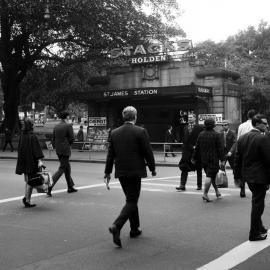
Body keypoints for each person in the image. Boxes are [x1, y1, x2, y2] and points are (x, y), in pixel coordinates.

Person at [104, 106, 156, 248]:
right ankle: (117, 225)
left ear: (123, 117)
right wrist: (152, 168)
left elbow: (110, 155)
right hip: (135, 171)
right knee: (132, 200)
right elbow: (148, 152)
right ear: (135, 117)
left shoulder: (114, 133)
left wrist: (107, 172)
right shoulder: (140, 131)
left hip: (121, 171)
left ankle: (134, 229)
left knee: (130, 200)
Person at [234, 114, 270, 241]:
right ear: (257, 124)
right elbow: (268, 160)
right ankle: (254, 233)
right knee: (258, 205)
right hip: (260, 177)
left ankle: (260, 227)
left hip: (248, 176)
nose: (267, 125)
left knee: (256, 202)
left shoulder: (242, 138)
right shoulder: (262, 138)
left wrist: (237, 176)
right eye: (264, 123)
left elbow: (237, 159)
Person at [192, 118, 225, 202]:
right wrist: (222, 160)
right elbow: (220, 149)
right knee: (209, 176)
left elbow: (197, 147)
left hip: (204, 159)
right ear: (213, 125)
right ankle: (205, 194)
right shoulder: (216, 135)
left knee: (212, 176)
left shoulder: (201, 134)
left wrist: (193, 158)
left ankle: (217, 192)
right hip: (213, 160)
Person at [47, 111, 77, 196]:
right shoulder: (68, 126)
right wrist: (68, 145)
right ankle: (49, 185)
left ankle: (70, 186)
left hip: (58, 150)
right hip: (65, 150)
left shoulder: (56, 126)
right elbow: (72, 138)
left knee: (67, 167)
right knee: (62, 169)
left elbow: (53, 139)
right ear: (67, 117)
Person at [15, 118, 44, 207]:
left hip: (24, 161)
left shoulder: (22, 135)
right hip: (31, 161)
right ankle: (27, 200)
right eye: (33, 123)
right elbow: (36, 150)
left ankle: (26, 198)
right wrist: (39, 160)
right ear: (31, 125)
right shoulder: (32, 136)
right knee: (31, 181)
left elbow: (19, 149)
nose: (34, 125)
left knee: (28, 180)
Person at [176, 114, 204, 191]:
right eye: (189, 117)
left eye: (191, 117)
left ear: (195, 118)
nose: (189, 119)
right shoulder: (185, 128)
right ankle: (182, 185)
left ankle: (199, 185)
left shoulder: (199, 127)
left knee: (198, 168)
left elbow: (202, 138)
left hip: (196, 151)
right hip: (187, 151)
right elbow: (184, 139)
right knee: (184, 167)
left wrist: (197, 147)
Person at [236, 109, 256, 198]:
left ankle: (242, 189)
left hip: (242, 149)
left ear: (248, 116)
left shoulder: (241, 125)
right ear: (254, 116)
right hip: (253, 149)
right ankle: (255, 189)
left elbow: (238, 139)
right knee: (254, 168)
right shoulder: (256, 125)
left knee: (243, 169)